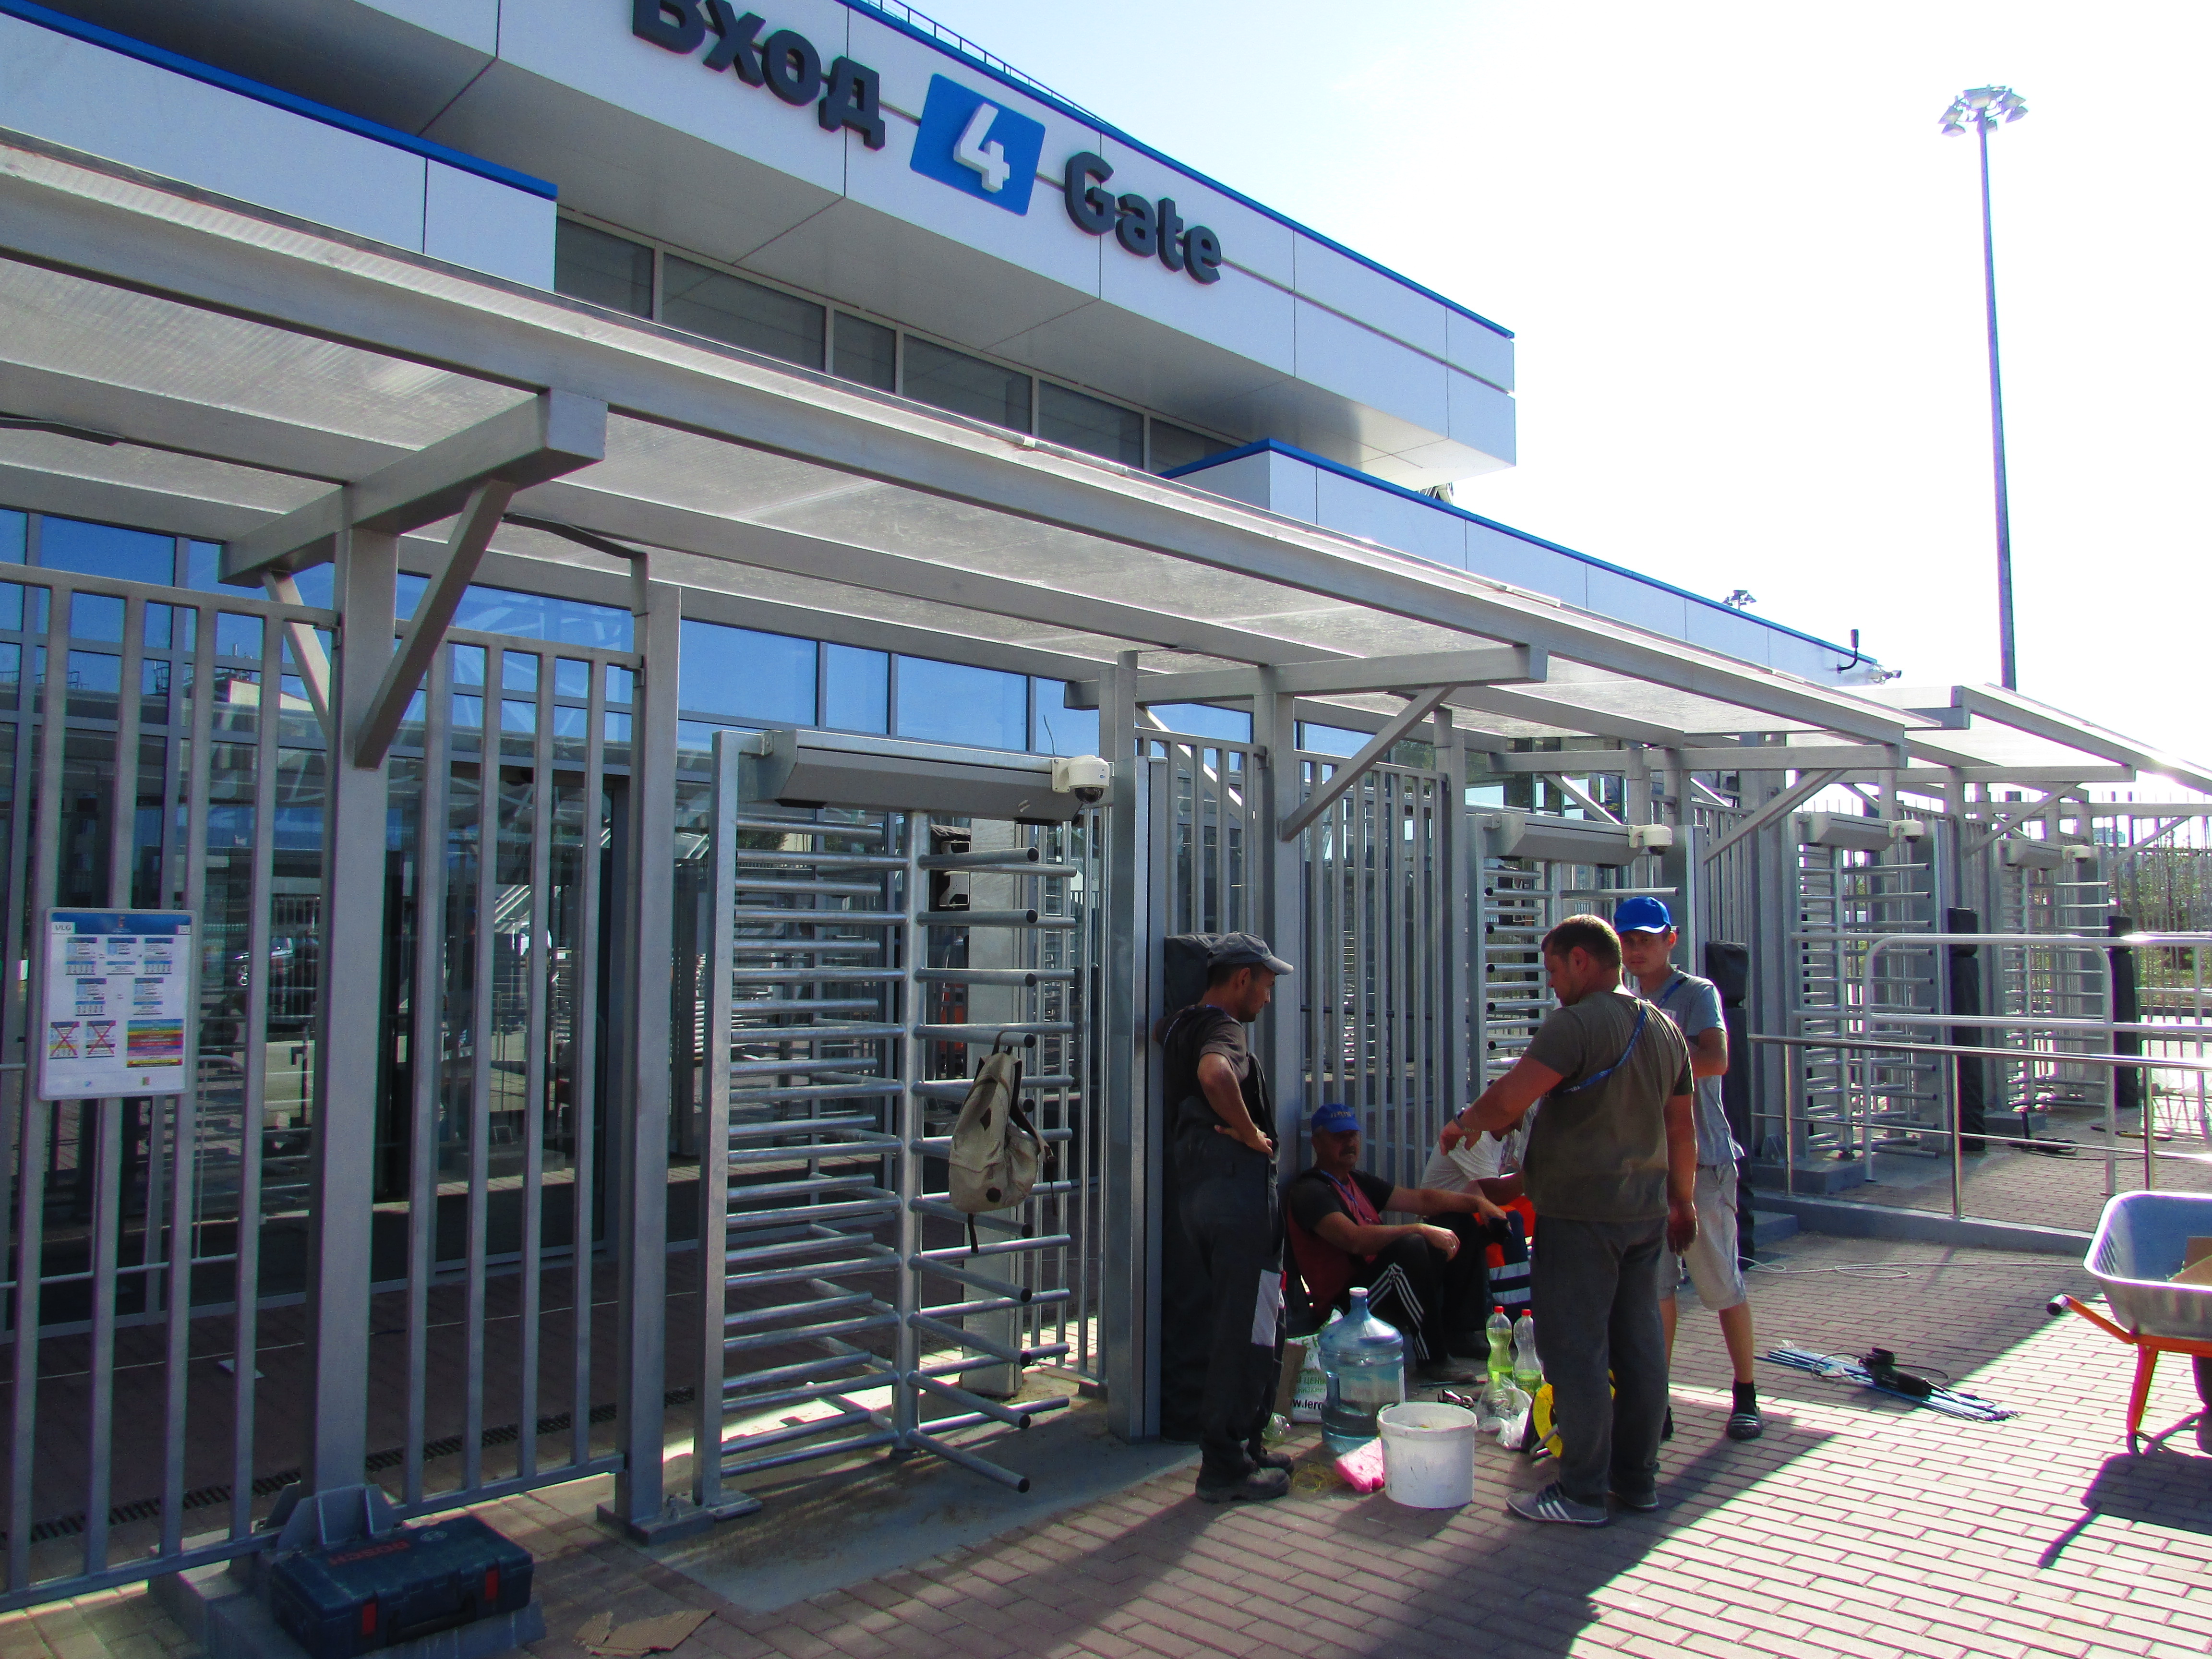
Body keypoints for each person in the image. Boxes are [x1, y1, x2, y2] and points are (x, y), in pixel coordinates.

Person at [1441, 914, 1697, 1527]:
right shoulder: (1665, 1028)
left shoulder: (1578, 1023)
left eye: (1555, 969)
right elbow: (1681, 1127)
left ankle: (1581, 1491)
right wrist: (1683, 1201)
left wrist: (1464, 1123)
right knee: (1639, 1347)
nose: (1552, 983)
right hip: (1644, 1214)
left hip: (1581, 1216)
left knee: (1575, 1347)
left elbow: (1512, 1096)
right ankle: (1637, 1480)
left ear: (1582, 960)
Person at [1613, 896, 1763, 1442]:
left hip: (1704, 1162)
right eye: (1629, 940)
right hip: (1648, 1166)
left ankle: (1745, 1392)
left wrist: (1651, 1065)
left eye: (1647, 939)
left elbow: (1717, 1059)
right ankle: (1659, 1399)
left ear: (1670, 939)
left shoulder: (1697, 994)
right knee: (1656, 1289)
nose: (1637, 949)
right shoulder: (1621, 1001)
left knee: (1720, 1280)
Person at [1157, 933, 1296, 1504]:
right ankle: (1226, 1462)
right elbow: (1217, 1074)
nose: (1267, 997)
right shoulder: (1225, 1029)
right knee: (1251, 1328)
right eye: (1265, 984)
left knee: (1241, 1321)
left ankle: (1247, 1444)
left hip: (1198, 1194)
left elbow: (1164, 1035)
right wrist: (1250, 1132)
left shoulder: (1179, 1026)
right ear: (1242, 978)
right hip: (1238, 1196)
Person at [1285, 1103, 1512, 1382]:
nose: (1349, 1143)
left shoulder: (1356, 1181)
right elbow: (1354, 1240)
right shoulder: (1310, 1191)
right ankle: (1434, 1360)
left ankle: (1460, 1333)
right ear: (1317, 1143)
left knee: (1459, 1223)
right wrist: (1419, 1229)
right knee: (1410, 1246)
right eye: (1338, 1137)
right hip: (1346, 1311)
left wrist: (1478, 1204)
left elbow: (1422, 1199)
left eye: (1352, 1135)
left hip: (1382, 1291)